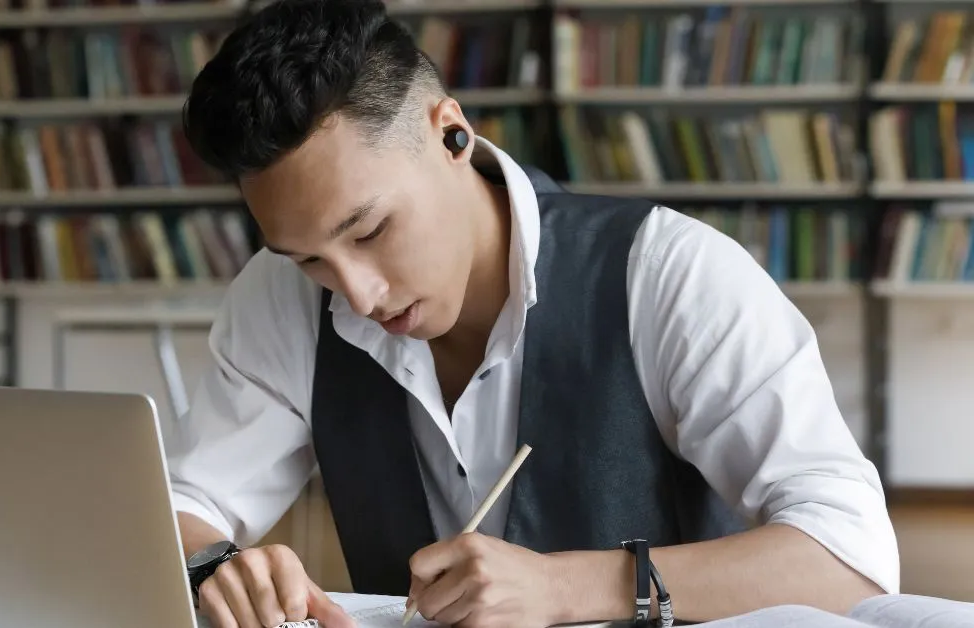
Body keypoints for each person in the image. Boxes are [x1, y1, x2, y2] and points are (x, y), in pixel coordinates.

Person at [168, 1, 899, 627]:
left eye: (369, 231)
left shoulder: (668, 274)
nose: (356, 294)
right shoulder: (283, 296)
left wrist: (566, 587)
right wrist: (215, 566)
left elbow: (852, 557)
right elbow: (179, 507)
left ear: (451, 134)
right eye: (309, 258)